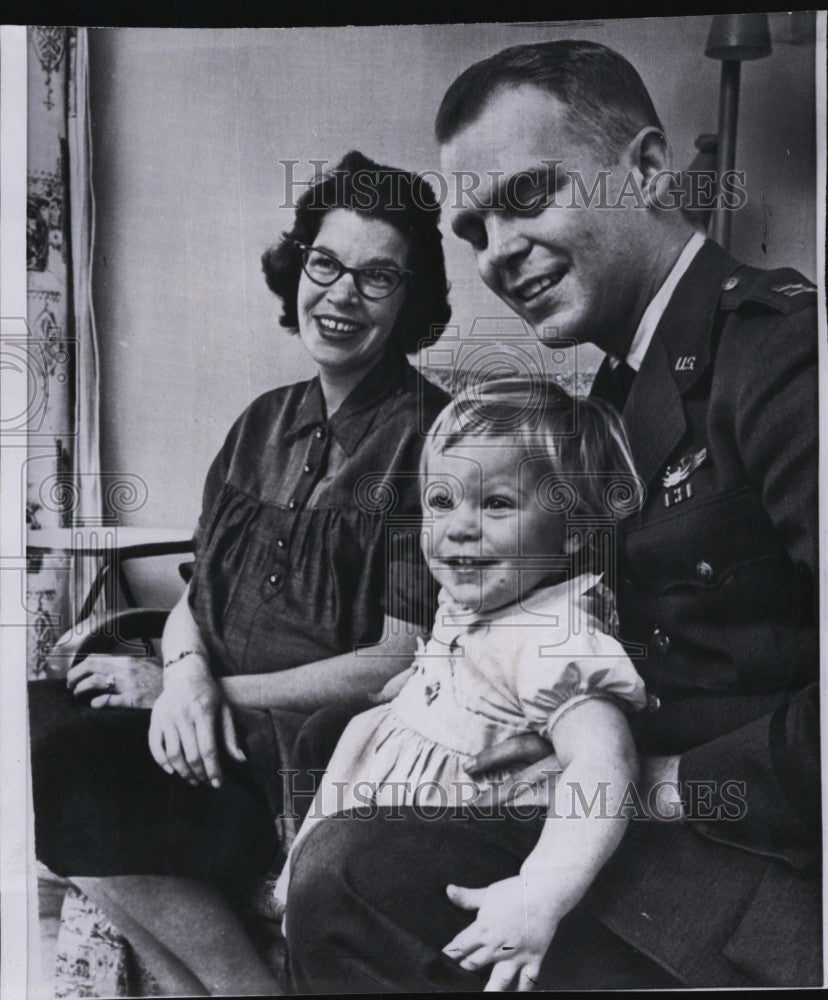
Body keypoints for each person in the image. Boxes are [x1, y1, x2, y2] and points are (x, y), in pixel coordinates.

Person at [286, 40, 820, 990]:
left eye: (528, 197)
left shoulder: (785, 362)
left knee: (347, 876)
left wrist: (662, 788)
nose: (498, 253)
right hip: (610, 799)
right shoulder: (609, 393)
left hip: (752, 858)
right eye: (475, 228)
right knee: (334, 744)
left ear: (647, 170)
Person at [28, 149, 451, 994]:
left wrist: (209, 698)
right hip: (194, 718)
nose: (341, 295)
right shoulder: (263, 420)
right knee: (35, 719)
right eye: (326, 263)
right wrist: (180, 672)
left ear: (411, 304)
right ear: (298, 268)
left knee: (64, 768)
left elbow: (400, 659)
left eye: (379, 278)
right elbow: (197, 597)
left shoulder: (432, 438)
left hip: (285, 756)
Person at [282, 377, 652, 991]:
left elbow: (602, 765)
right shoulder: (476, 599)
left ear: (575, 530)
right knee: (326, 733)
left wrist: (541, 892)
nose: (459, 527)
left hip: (476, 835)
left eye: (498, 504)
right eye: (441, 501)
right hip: (407, 799)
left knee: (337, 883)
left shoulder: (550, 635)